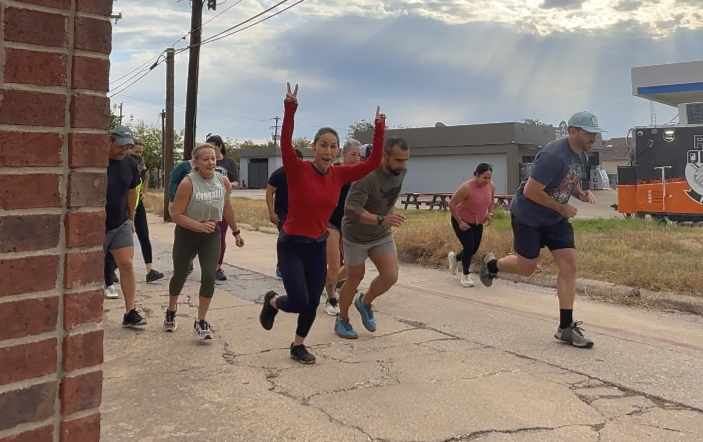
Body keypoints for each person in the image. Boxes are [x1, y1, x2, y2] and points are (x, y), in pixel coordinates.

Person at [258, 83, 384, 364]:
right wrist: (290, 108)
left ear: (337, 151)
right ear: (314, 148)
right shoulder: (297, 168)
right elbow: (285, 141)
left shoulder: (338, 175)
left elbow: (374, 160)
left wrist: (379, 126)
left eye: (333, 147)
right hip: (291, 244)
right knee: (299, 300)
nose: (328, 151)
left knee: (313, 302)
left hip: (317, 244)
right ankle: (272, 302)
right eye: (323, 145)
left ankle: (298, 345)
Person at [478, 111, 604, 349]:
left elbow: (572, 179)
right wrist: (562, 207)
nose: (592, 138)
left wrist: (580, 194)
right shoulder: (552, 155)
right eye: (588, 133)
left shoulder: (582, 157)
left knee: (569, 264)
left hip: (555, 219)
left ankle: (565, 327)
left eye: (595, 134)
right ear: (572, 131)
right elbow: (531, 192)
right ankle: (491, 265)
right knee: (527, 269)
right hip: (529, 217)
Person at [164, 143, 245, 339]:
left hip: (211, 235)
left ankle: (201, 320)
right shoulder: (188, 183)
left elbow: (227, 209)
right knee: (180, 275)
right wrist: (197, 226)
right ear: (196, 162)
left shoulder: (222, 181)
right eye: (205, 159)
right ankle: (171, 309)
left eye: (213, 159)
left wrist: (236, 232)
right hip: (187, 234)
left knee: (209, 275)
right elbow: (175, 214)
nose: (210, 162)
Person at [334, 137, 409, 339]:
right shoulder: (366, 176)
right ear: (384, 156)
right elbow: (350, 209)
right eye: (398, 160)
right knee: (354, 277)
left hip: (380, 233)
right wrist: (380, 218)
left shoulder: (400, 172)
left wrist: (387, 216)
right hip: (355, 235)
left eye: (405, 160)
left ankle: (364, 302)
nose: (402, 165)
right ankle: (342, 319)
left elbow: (390, 196)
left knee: (390, 276)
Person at [104, 126, 146, 327]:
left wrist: (131, 217)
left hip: (120, 222)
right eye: (121, 146)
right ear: (110, 141)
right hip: (96, 226)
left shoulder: (129, 163)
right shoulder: (96, 163)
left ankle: (130, 312)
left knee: (127, 265)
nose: (124, 150)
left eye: (128, 146)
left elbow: (132, 192)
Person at [324, 139, 362, 316]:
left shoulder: (360, 175)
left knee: (353, 263)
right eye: (353, 154)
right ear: (343, 154)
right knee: (334, 262)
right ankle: (331, 299)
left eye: (359, 155)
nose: (356, 158)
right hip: (330, 221)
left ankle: (330, 283)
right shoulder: (334, 171)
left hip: (349, 224)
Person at [446, 163, 495, 287]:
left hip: (478, 222)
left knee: (473, 249)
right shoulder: (467, 187)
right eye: (485, 178)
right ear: (477, 175)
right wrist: (460, 222)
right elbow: (451, 204)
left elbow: (491, 201)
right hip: (462, 220)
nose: (487, 181)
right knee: (468, 247)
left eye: (489, 178)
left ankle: (455, 258)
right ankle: (466, 275)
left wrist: (490, 213)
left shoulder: (491, 186)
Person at [129, 139, 165, 282]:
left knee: (144, 235)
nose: (138, 154)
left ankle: (150, 270)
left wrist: (144, 192)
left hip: (138, 203)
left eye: (140, 152)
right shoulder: (125, 163)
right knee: (122, 238)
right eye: (136, 151)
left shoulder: (142, 164)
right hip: (124, 205)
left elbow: (146, 177)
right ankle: (110, 270)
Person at [265, 148, 305, 278]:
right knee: (286, 239)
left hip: (299, 213)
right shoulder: (279, 174)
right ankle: (281, 265)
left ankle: (298, 266)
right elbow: (269, 192)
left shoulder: (305, 173)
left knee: (300, 241)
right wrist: (271, 212)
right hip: (282, 212)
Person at [207, 134, 239, 282]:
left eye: (213, 147)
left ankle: (217, 268)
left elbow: (236, 181)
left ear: (219, 146)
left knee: (220, 236)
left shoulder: (228, 162)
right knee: (200, 236)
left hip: (223, 203)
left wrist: (229, 185)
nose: (211, 151)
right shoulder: (205, 162)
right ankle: (189, 262)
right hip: (205, 203)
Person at [169, 157, 197, 276]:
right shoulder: (183, 166)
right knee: (184, 235)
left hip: (197, 204)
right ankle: (180, 263)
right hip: (183, 203)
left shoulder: (205, 168)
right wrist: (172, 199)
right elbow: (173, 181)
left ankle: (190, 259)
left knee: (198, 236)